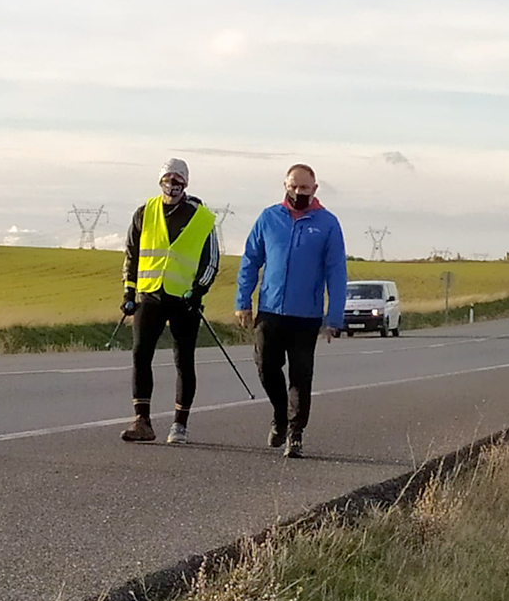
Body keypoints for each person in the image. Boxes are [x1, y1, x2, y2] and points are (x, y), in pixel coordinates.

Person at [235, 164, 347, 458]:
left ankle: (295, 434)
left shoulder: (327, 224)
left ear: (314, 189)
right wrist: (243, 301)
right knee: (266, 366)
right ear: (285, 186)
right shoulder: (269, 218)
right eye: (294, 187)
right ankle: (280, 414)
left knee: (301, 376)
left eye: (305, 188)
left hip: (306, 316)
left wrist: (333, 317)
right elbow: (250, 260)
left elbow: (337, 272)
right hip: (270, 310)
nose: (299, 192)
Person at [120, 158, 219, 445]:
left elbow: (211, 260)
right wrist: (128, 293)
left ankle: (180, 425)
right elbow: (131, 255)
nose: (172, 183)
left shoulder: (202, 217)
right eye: (168, 178)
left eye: (178, 179)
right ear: (160, 180)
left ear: (186, 183)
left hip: (184, 301)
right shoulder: (144, 212)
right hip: (150, 295)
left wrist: (199, 291)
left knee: (183, 361)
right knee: (140, 354)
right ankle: (142, 421)